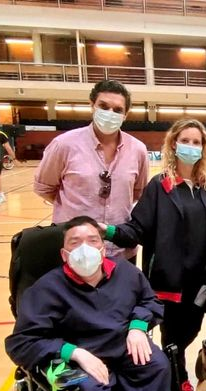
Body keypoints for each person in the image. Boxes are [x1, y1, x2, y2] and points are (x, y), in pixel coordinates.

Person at [4, 216, 181, 391]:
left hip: (120, 345)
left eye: (92, 240)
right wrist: (72, 352)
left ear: (102, 247)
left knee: (156, 363)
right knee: (87, 387)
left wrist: (138, 326)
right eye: (75, 243)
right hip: (75, 354)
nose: (84, 248)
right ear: (64, 254)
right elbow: (21, 341)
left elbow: (149, 301)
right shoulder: (47, 289)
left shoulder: (126, 273)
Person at [101, 118, 206, 391]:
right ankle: (177, 381)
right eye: (185, 141)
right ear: (174, 144)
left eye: (196, 142)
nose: (191, 146)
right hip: (169, 280)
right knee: (172, 336)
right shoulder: (160, 186)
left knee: (192, 331)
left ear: (204, 148)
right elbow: (138, 229)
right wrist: (108, 231)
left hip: (200, 279)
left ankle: (194, 361)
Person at [33, 80, 149, 262]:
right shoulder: (64, 144)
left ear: (125, 115)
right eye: (104, 106)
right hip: (76, 251)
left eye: (118, 110)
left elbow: (137, 193)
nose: (110, 113)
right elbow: (44, 188)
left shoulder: (138, 149)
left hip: (120, 251)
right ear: (92, 106)